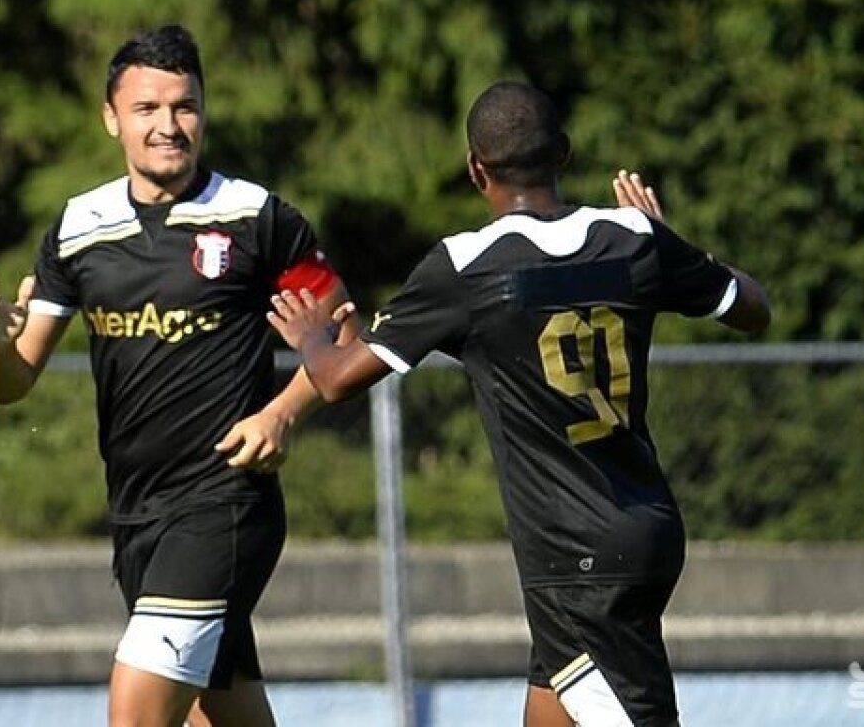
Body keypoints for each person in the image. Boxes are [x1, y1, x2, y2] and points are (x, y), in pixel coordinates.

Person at [267, 81, 771, 727]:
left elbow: (337, 379)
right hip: (646, 528)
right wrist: (675, 249)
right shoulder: (635, 240)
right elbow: (753, 308)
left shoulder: (466, 268)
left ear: (476, 169)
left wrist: (311, 338)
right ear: (563, 154)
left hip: (576, 560)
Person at [0, 24, 355, 727]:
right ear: (112, 118)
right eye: (148, 109)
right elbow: (13, 383)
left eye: (185, 107)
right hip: (136, 514)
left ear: (204, 110)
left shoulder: (258, 219)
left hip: (224, 504)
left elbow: (344, 335)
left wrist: (282, 412)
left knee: (136, 711)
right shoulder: (80, 227)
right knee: (222, 715)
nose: (169, 126)